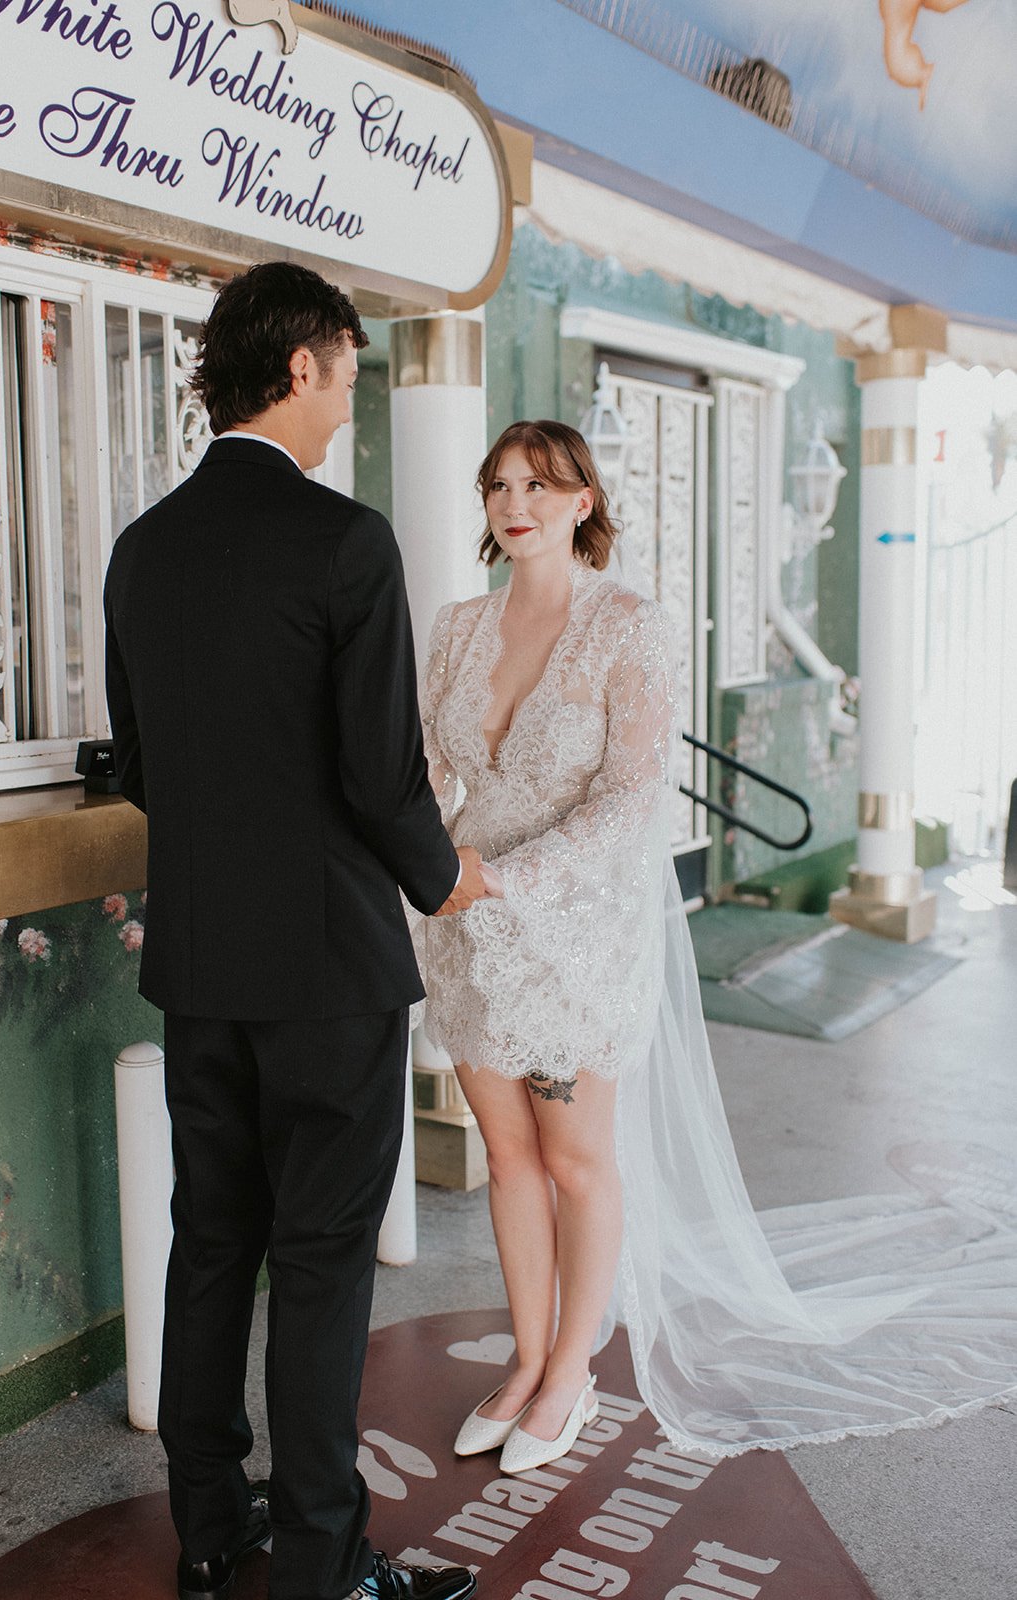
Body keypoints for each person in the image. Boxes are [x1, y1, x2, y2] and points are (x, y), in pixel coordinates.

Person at [416, 418, 1017, 1472]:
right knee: (506, 1154)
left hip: (572, 938)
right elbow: (424, 770)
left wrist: (507, 875)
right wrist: (428, 863)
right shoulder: (458, 628)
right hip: (463, 929)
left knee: (576, 1157)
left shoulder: (629, 627)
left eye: (541, 484)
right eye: (501, 484)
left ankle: (572, 1376)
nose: (517, 503)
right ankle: (523, 1360)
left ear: (583, 501)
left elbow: (634, 798)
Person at [104, 262, 487, 1600]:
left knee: (214, 1243)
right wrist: (444, 881)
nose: (350, 403)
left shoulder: (141, 547)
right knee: (322, 1263)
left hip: (199, 961)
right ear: (306, 365)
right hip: (328, 969)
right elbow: (382, 779)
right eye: (347, 373)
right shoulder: (345, 540)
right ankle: (324, 1562)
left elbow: (139, 760)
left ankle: (213, 1531)